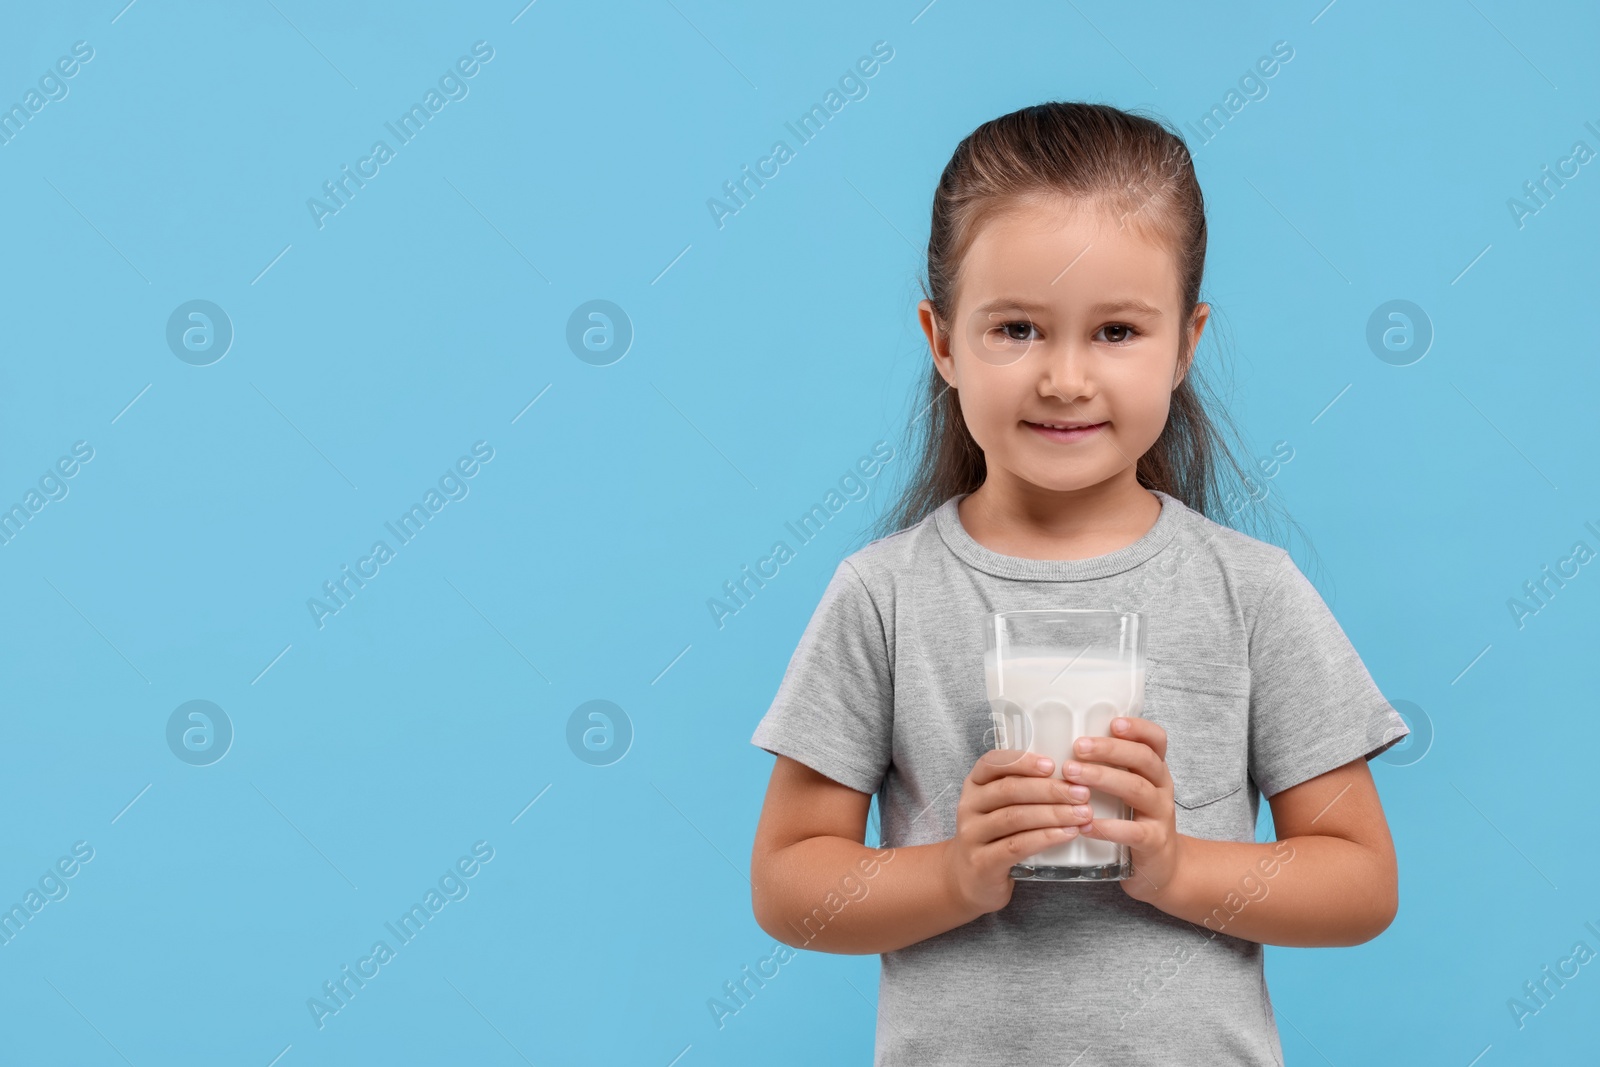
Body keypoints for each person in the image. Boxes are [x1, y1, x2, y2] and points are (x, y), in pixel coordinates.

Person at [746, 101, 1410, 1065]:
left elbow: (1360, 885)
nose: (1064, 377)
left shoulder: (1250, 593)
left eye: (1116, 332)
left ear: (1186, 343)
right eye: (1016, 327)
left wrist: (1178, 867)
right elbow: (790, 885)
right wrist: (955, 875)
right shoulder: (884, 597)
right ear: (942, 341)